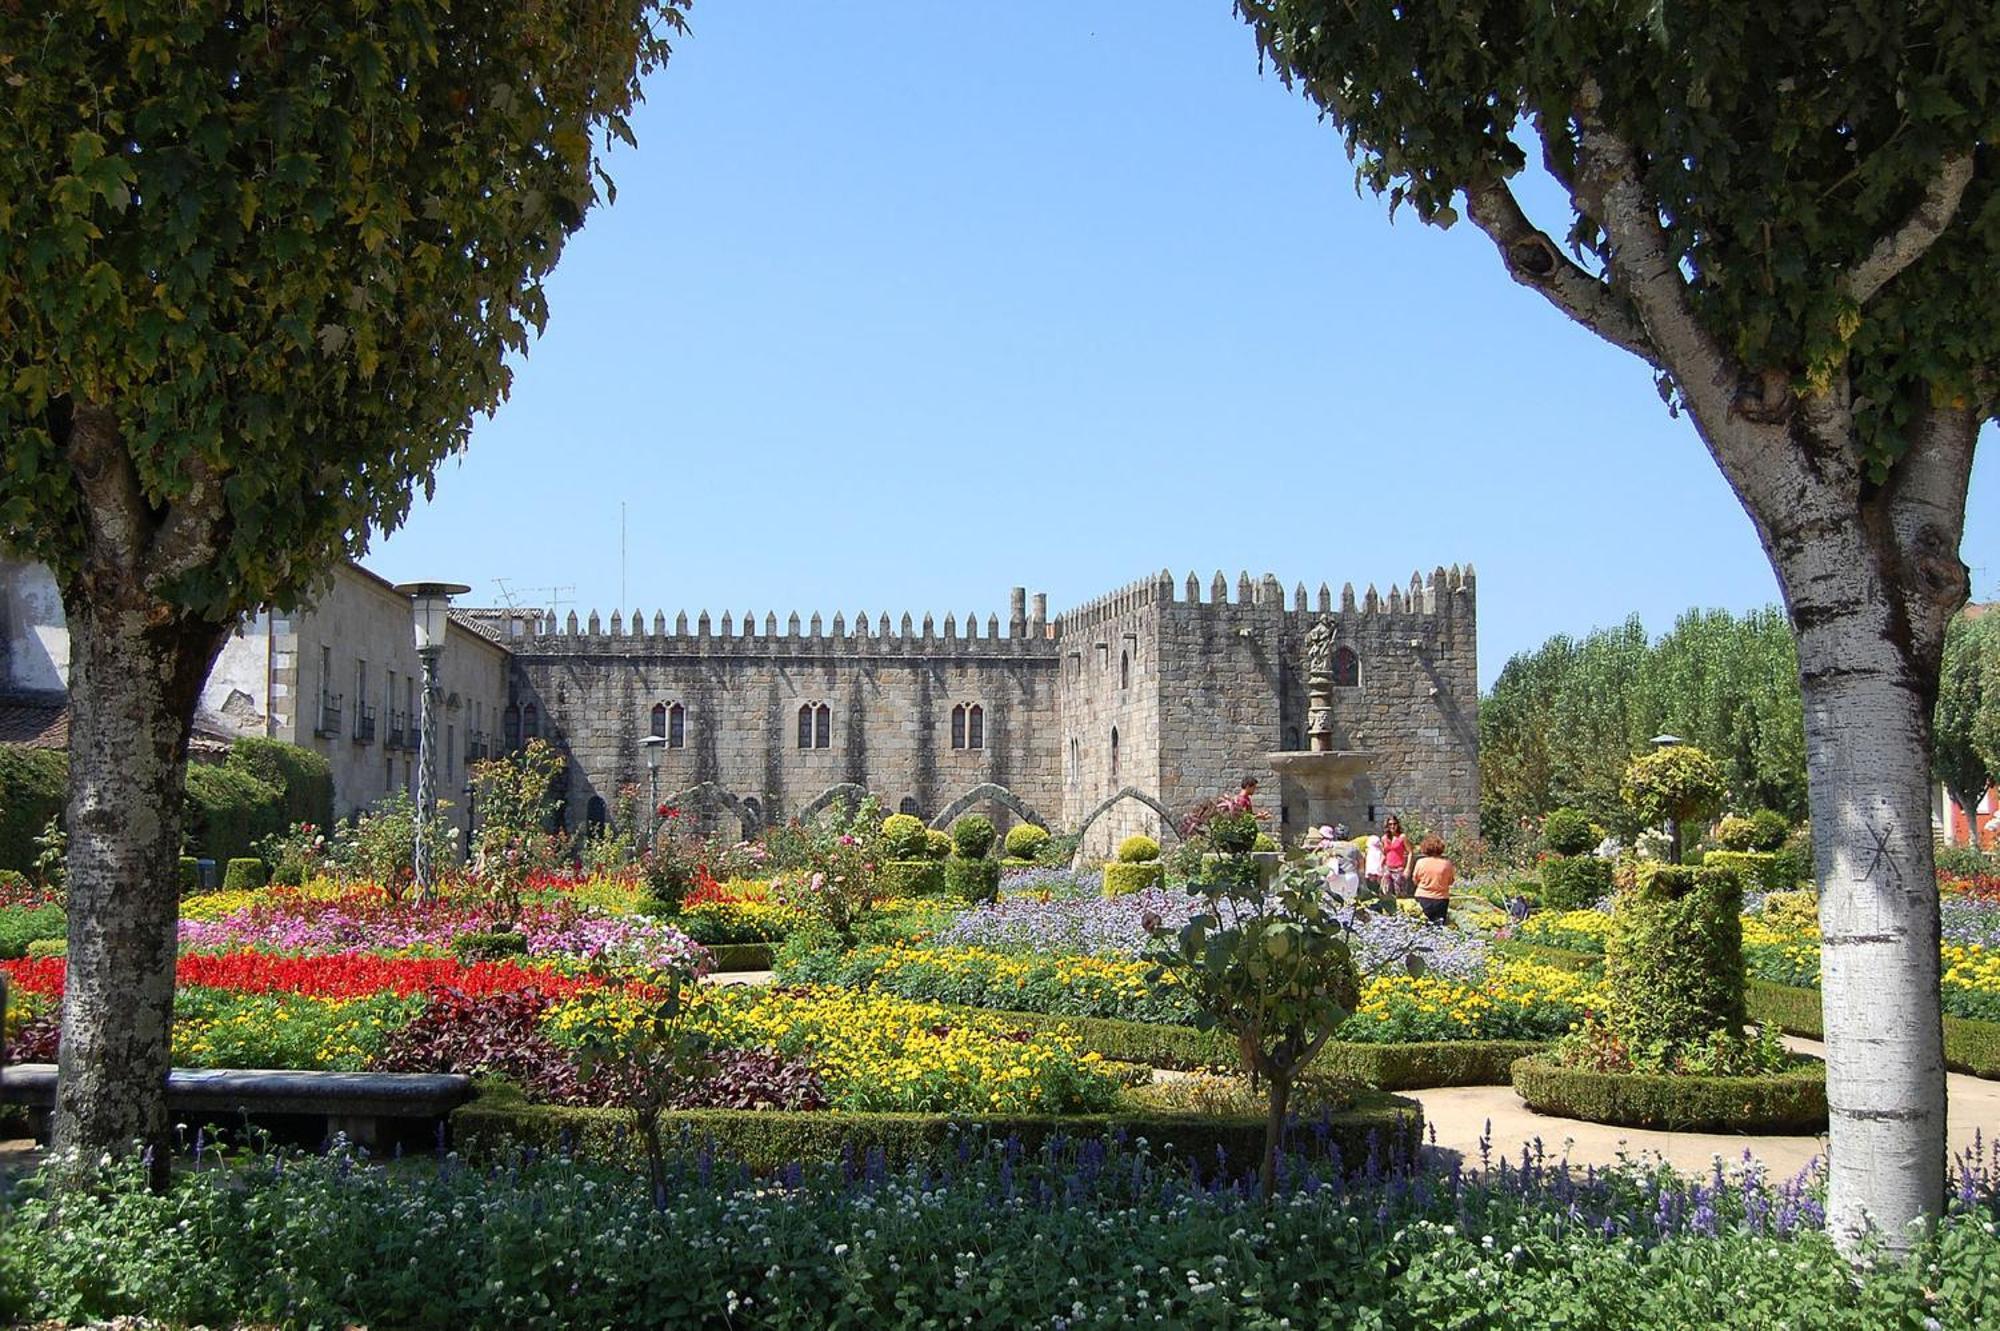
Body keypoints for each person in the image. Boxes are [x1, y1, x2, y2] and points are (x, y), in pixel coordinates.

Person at [1411, 834, 1455, 925]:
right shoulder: (1447, 864)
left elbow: (1415, 880)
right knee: (1439, 927)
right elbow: (1450, 881)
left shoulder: (1420, 862)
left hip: (1422, 897)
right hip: (1441, 899)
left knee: (1421, 926)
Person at [1377, 815, 1410, 898]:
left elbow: (1410, 852)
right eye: (1390, 824)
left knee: (1399, 893)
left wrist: (1407, 868)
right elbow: (1384, 854)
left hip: (1398, 869)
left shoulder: (1402, 837)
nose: (1392, 826)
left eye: (1394, 824)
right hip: (1387, 868)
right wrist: (1380, 867)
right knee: (1385, 893)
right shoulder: (1384, 838)